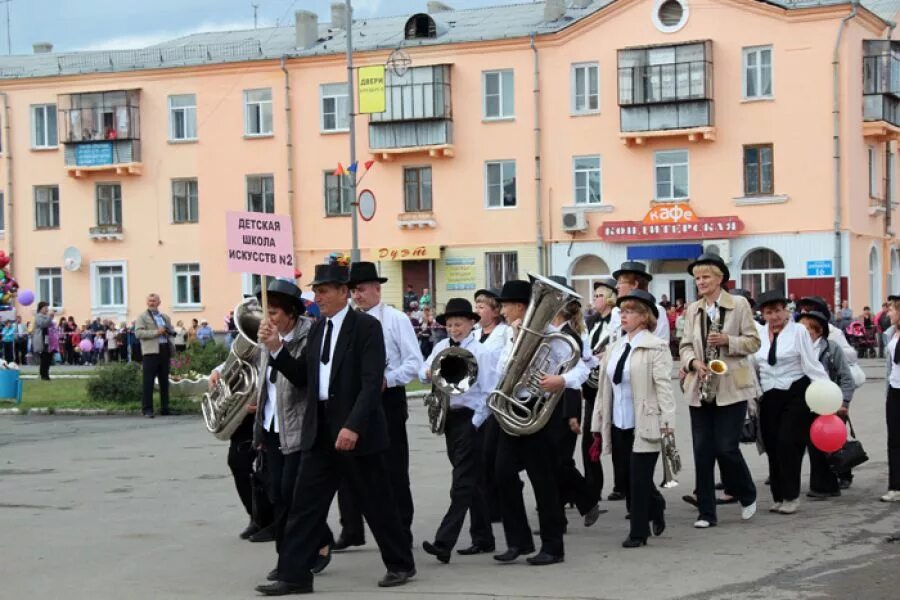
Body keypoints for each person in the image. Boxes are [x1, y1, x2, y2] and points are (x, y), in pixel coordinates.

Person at [254, 262, 416, 595]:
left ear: (344, 292)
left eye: (324, 290)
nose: (318, 296)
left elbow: (372, 385)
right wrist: (276, 349)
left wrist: (353, 426)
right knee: (304, 505)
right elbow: (302, 378)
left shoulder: (366, 327)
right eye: (316, 290)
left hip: (358, 431)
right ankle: (295, 575)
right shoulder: (316, 329)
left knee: (377, 504)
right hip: (320, 430)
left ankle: (400, 563)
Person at [492, 278, 589, 566]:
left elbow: (582, 368)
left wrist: (561, 379)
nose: (502, 310)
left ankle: (553, 546)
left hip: (537, 413)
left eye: (506, 305)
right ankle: (518, 541)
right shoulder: (508, 334)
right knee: (502, 474)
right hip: (511, 410)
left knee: (543, 480)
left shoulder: (553, 337)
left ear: (520, 307)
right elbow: (501, 370)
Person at [340, 262, 423, 551]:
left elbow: (414, 362)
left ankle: (402, 528)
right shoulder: (348, 321)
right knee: (350, 465)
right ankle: (351, 528)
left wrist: (388, 379)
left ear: (377, 288)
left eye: (361, 289)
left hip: (388, 399)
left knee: (393, 468)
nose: (357, 296)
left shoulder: (395, 319)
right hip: (357, 400)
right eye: (353, 291)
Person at [679, 253, 760, 529]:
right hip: (700, 386)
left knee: (726, 448)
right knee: (702, 451)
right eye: (697, 277)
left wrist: (728, 340)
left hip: (731, 386)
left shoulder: (738, 305)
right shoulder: (692, 309)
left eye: (705, 277)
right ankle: (706, 512)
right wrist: (693, 362)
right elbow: (685, 344)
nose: (700, 281)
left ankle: (747, 493)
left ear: (720, 278)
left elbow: (753, 342)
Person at [592, 290, 674, 548]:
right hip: (618, 422)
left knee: (638, 479)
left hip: (646, 422)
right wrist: (597, 422)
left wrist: (667, 428)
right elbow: (605, 389)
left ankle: (638, 532)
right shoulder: (615, 346)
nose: (623, 315)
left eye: (629, 311)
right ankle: (656, 503)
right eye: (622, 311)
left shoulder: (655, 347)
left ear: (644, 316)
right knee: (627, 477)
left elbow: (664, 389)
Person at [419, 297, 495, 563]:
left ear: (471, 324)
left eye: (459, 324)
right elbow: (422, 369)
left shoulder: (481, 352)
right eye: (450, 324)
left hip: (471, 419)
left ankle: (444, 542)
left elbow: (488, 392)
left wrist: (475, 424)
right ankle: (483, 538)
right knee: (472, 482)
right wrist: (427, 372)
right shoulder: (441, 346)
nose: (454, 329)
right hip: (449, 419)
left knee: (461, 484)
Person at [755, 291, 829, 515]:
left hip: (795, 391)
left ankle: (791, 496)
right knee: (771, 444)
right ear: (763, 315)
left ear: (786, 311)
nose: (775, 316)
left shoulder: (798, 332)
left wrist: (825, 391)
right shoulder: (758, 333)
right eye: (769, 312)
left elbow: (811, 363)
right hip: (768, 394)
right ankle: (778, 496)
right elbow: (753, 364)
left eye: (778, 310)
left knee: (788, 442)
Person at [605, 261, 669, 501]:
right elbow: (613, 339)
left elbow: (658, 341)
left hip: (643, 380)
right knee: (624, 456)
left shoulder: (656, 311)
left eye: (621, 282)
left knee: (640, 457)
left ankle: (645, 505)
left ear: (634, 284)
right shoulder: (615, 312)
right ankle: (636, 499)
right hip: (620, 382)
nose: (617, 286)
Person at [797, 310, 854, 499]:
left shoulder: (831, 348)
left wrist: (843, 402)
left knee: (825, 446)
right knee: (811, 445)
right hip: (806, 403)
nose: (802, 332)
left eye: (807, 328)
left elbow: (847, 378)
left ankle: (830, 485)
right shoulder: (798, 348)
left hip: (828, 403)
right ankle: (819, 485)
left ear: (818, 331)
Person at [472, 287, 509, 532]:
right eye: (476, 306)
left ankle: (499, 506)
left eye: (482, 306)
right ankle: (488, 507)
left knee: (494, 458)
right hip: (476, 401)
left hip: (497, 399)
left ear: (495, 311)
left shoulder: (505, 332)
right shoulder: (474, 333)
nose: (477, 310)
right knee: (480, 460)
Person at [581, 278, 617, 502]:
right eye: (594, 296)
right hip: (591, 385)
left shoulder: (616, 320)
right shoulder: (591, 322)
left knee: (617, 438)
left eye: (599, 296)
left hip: (611, 385)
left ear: (610, 298)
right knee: (589, 438)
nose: (595, 300)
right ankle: (593, 488)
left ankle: (623, 485)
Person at [135, 293, 175, 418]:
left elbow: (171, 330)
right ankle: (147, 409)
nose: (152, 303)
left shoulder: (164, 317)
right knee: (148, 381)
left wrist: (170, 332)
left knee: (164, 381)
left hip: (164, 349)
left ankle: (165, 408)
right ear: (147, 303)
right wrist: (157, 332)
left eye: (154, 300)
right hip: (150, 352)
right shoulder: (142, 317)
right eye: (150, 301)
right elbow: (138, 333)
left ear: (159, 302)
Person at [882, 294, 900, 503]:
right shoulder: (890, 334)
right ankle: (895, 486)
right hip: (895, 390)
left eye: (892, 310)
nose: (889, 313)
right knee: (894, 440)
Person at [32, 302, 54, 380]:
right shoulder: (38, 316)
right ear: (41, 308)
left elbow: (50, 325)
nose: (47, 309)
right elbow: (43, 324)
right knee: (44, 357)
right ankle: (43, 375)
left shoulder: (46, 316)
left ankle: (46, 374)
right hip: (42, 339)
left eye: (47, 307)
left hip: (47, 338)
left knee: (49, 356)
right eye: (45, 307)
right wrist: (50, 317)